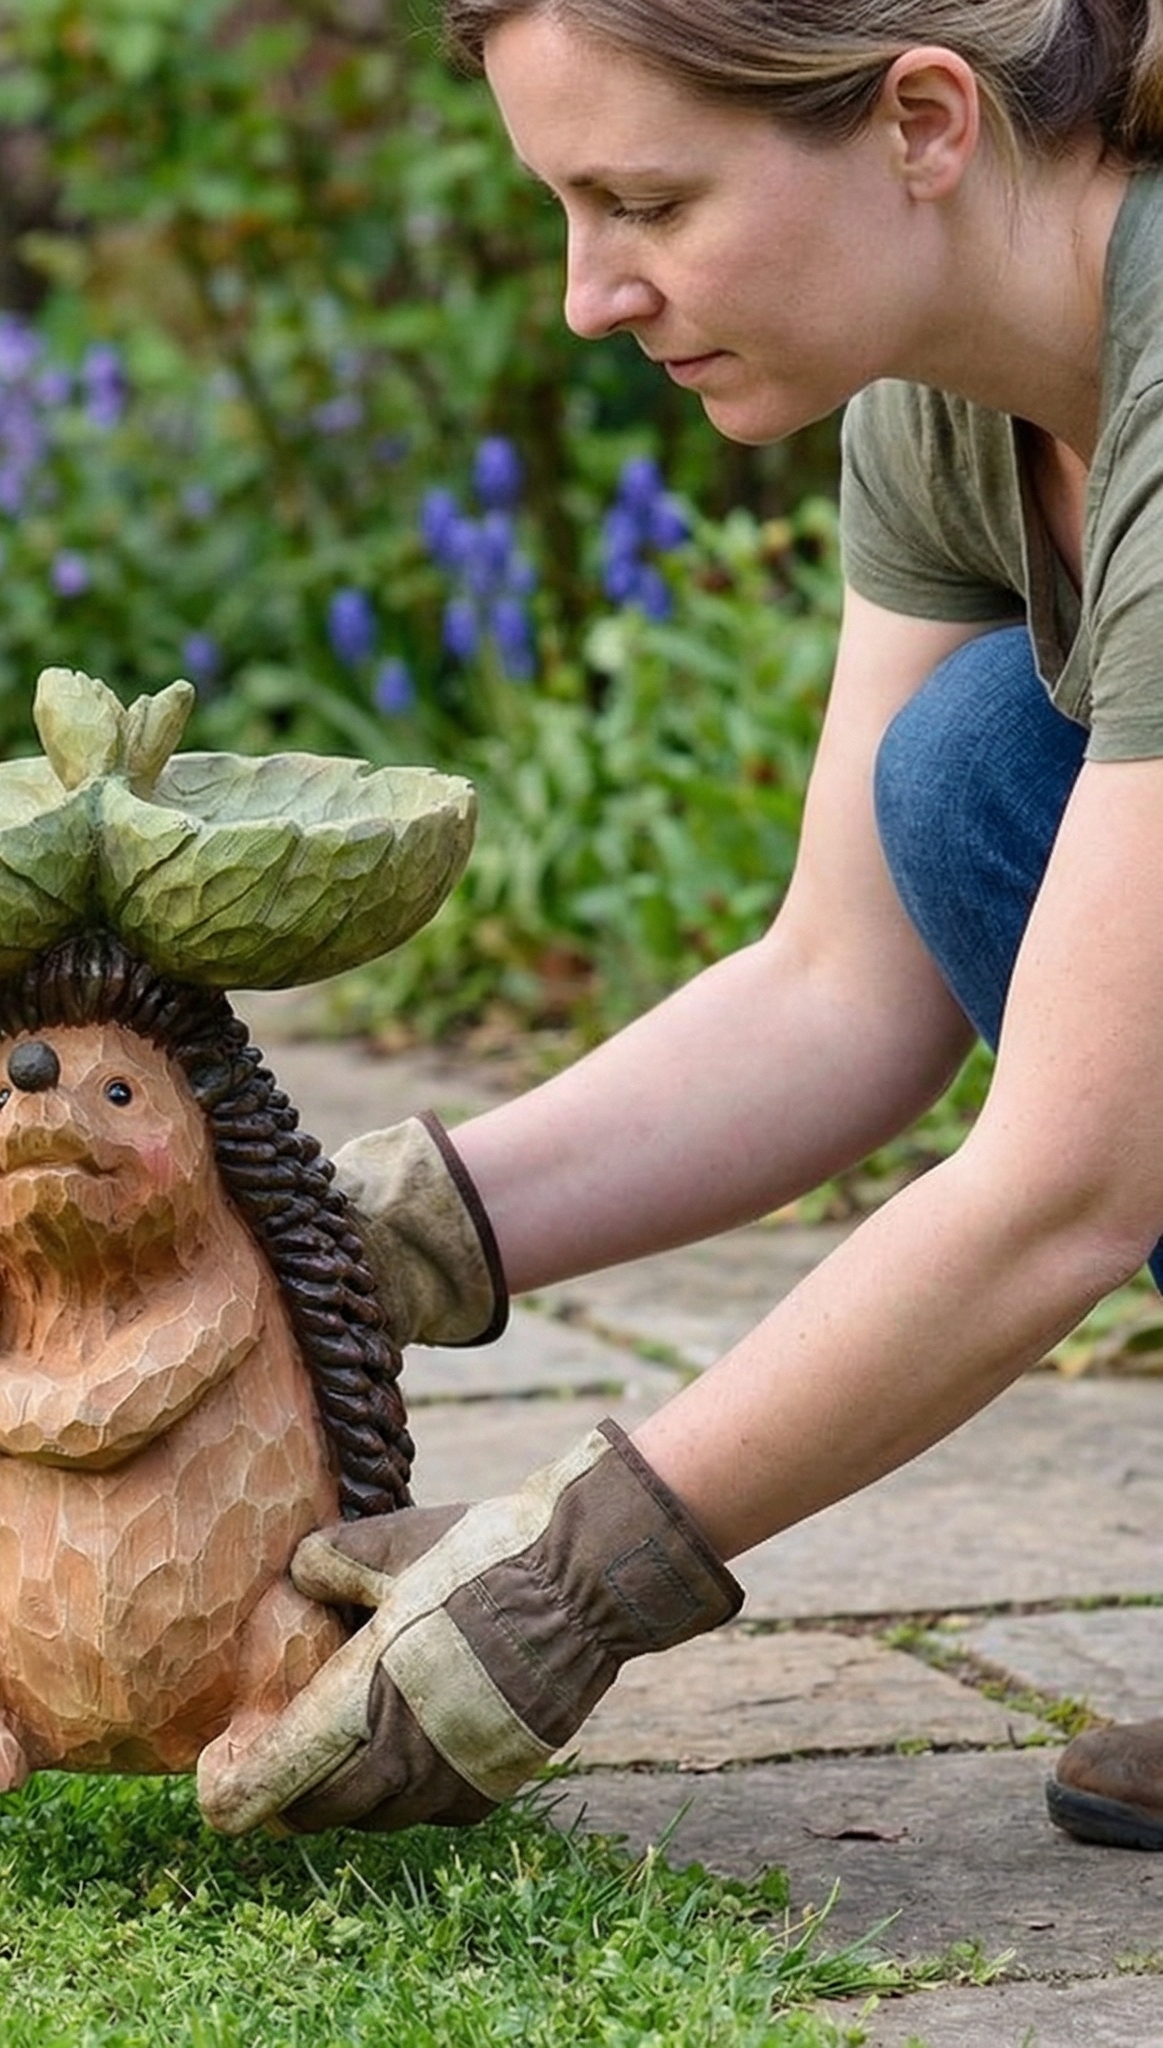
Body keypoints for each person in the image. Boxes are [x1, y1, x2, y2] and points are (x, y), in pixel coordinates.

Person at [196, 0, 1163, 1851]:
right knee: (972, 770)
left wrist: (579, 1583)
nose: (589, 294)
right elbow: (835, 993)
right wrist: (332, 1245)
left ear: (925, 123)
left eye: (644, 200)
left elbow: (1070, 1184)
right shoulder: (961, 406)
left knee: (974, 769)